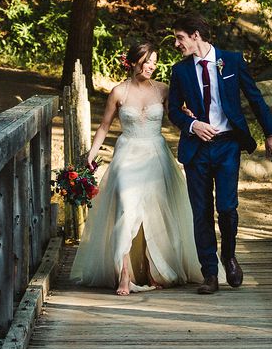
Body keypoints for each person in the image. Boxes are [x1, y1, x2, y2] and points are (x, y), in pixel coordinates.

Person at [70, 41, 203, 295]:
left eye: (154, 61)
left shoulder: (163, 89)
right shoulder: (119, 92)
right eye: (146, 61)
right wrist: (92, 154)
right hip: (127, 154)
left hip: (155, 153)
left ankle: (154, 269)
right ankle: (124, 273)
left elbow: (177, 119)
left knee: (155, 209)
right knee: (126, 208)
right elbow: (104, 126)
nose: (151, 66)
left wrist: (192, 122)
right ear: (133, 63)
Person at [166, 14, 272, 295]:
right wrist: (193, 125)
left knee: (227, 208)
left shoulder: (231, 60)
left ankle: (229, 256)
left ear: (195, 35)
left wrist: (271, 133)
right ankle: (210, 274)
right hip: (196, 149)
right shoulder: (180, 71)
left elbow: (255, 98)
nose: (177, 44)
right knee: (201, 211)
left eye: (180, 38)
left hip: (228, 145)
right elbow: (172, 110)